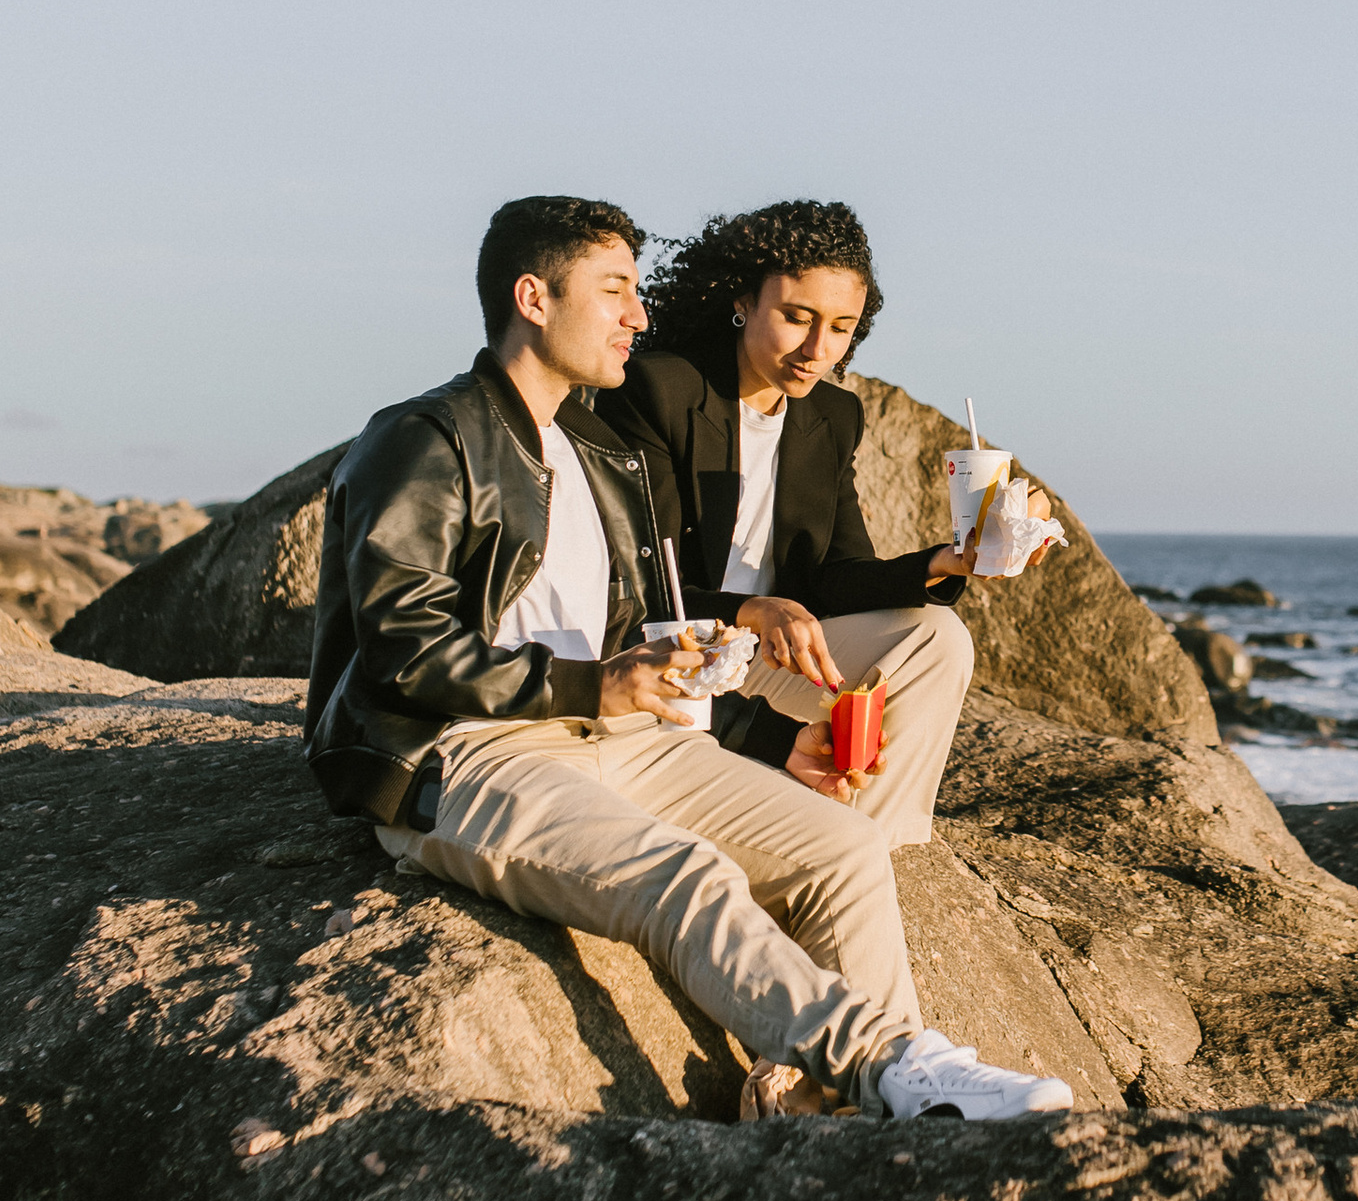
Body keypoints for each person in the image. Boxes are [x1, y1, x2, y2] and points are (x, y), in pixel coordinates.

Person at [303, 193, 1069, 1124]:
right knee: (686, 876)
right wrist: (597, 685)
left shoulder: (597, 452)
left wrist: (761, 735)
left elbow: (652, 628)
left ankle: (833, 1115)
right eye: (617, 291)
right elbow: (402, 646)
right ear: (533, 298)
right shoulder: (426, 438)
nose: (640, 313)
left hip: (629, 735)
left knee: (848, 846)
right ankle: (896, 1068)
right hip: (470, 753)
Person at [596, 194, 1049, 786]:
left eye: (841, 328)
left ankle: (871, 839)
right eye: (797, 317)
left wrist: (949, 560)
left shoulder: (832, 417)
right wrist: (751, 610)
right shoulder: (660, 390)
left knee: (936, 637)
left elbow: (838, 574)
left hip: (770, 660)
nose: (818, 350)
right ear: (742, 300)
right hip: (673, 654)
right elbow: (639, 582)